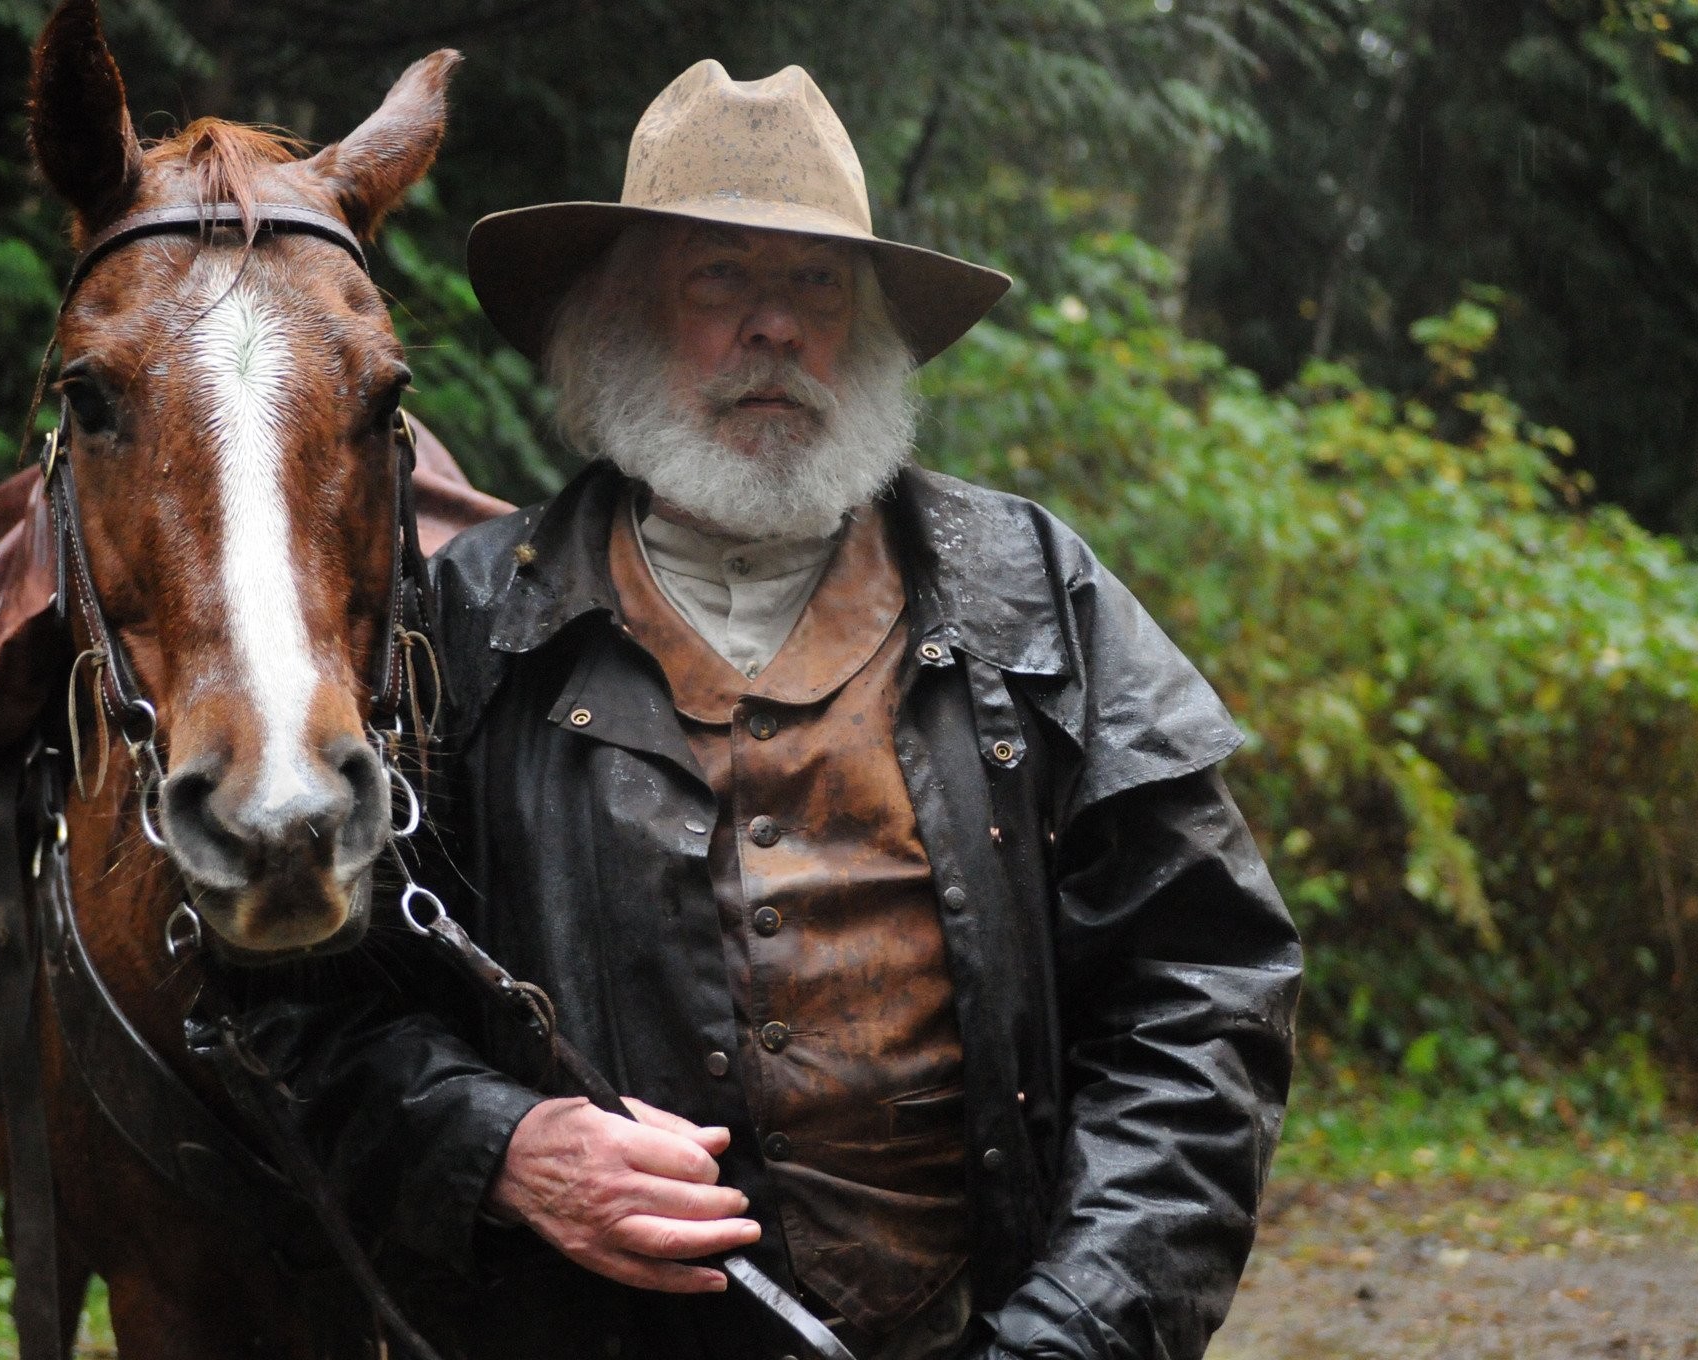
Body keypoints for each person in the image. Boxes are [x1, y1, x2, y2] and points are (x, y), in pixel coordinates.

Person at [269, 58, 1301, 1360]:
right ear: (623, 320)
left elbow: (1202, 996)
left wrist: (1072, 1336)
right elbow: (303, 1004)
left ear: (867, 330)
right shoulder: (461, 628)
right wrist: (501, 1146)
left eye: (818, 284)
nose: (776, 328)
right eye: (720, 280)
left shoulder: (1035, 598)